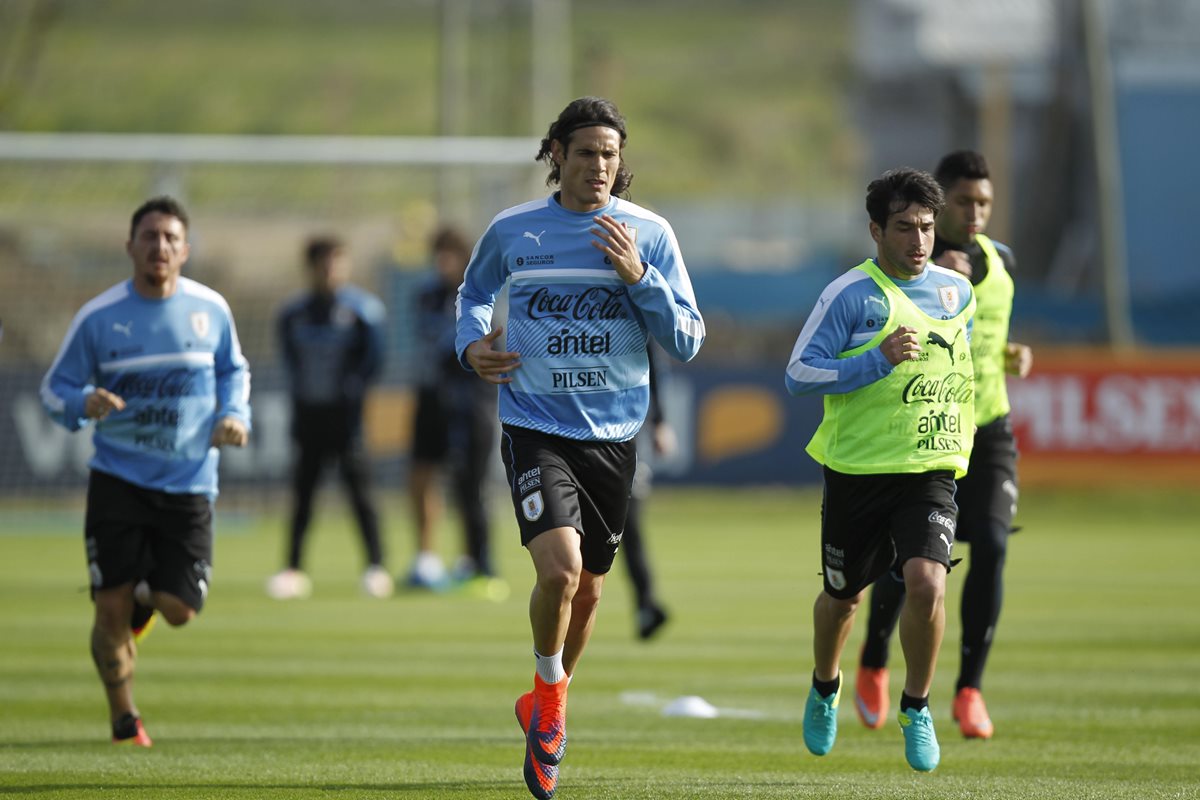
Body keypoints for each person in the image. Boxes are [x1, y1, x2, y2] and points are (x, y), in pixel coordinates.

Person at [456, 96, 704, 799]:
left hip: (614, 435)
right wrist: (471, 344)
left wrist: (639, 279)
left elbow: (687, 337)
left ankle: (544, 700)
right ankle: (553, 699)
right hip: (535, 425)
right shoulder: (514, 230)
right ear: (556, 154)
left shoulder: (648, 235)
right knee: (561, 570)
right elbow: (473, 294)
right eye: (587, 151)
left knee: (590, 588)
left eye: (611, 153)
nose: (600, 165)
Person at [40, 196, 251, 747]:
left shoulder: (211, 309)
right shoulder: (99, 317)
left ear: (184, 249)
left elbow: (234, 371)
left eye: (171, 238)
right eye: (150, 236)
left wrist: (233, 414)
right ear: (129, 246)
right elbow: (52, 389)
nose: (160, 247)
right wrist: (82, 401)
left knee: (179, 609)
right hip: (118, 481)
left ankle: (139, 599)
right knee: (108, 610)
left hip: (188, 483)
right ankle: (124, 720)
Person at [784, 167, 975, 772]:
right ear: (875, 230)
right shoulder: (849, 296)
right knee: (843, 600)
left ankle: (916, 706)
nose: (918, 241)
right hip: (857, 472)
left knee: (927, 582)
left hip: (929, 470)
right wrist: (875, 358)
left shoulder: (955, 292)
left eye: (926, 227)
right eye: (904, 228)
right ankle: (824, 685)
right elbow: (799, 373)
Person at [854, 150, 1033, 740]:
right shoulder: (921, 271)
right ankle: (876, 659)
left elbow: (989, 334)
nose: (974, 212)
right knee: (913, 561)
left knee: (995, 548)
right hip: (929, 425)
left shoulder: (1002, 260)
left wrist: (1013, 355)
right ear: (938, 206)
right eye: (963, 202)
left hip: (989, 426)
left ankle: (969, 690)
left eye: (984, 202)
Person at [267, 236, 392, 600]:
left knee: (360, 493)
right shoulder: (293, 313)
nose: (330, 270)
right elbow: (290, 358)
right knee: (303, 494)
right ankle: (292, 569)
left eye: (337, 262)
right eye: (324, 263)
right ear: (311, 268)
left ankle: (376, 566)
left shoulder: (363, 310)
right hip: (308, 415)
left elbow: (375, 360)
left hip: (347, 418)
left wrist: (352, 391)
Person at [404, 226, 504, 598]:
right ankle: (426, 559)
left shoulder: (480, 295)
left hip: (471, 403)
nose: (442, 262)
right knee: (420, 474)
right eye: (438, 254)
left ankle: (479, 563)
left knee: (471, 486)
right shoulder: (425, 297)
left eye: (450, 254)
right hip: (431, 398)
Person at [621, 342, 673, 640]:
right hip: (580, 428)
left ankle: (646, 604)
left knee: (630, 525)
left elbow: (654, 363)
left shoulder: (635, 299)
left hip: (624, 430)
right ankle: (646, 603)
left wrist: (660, 421)